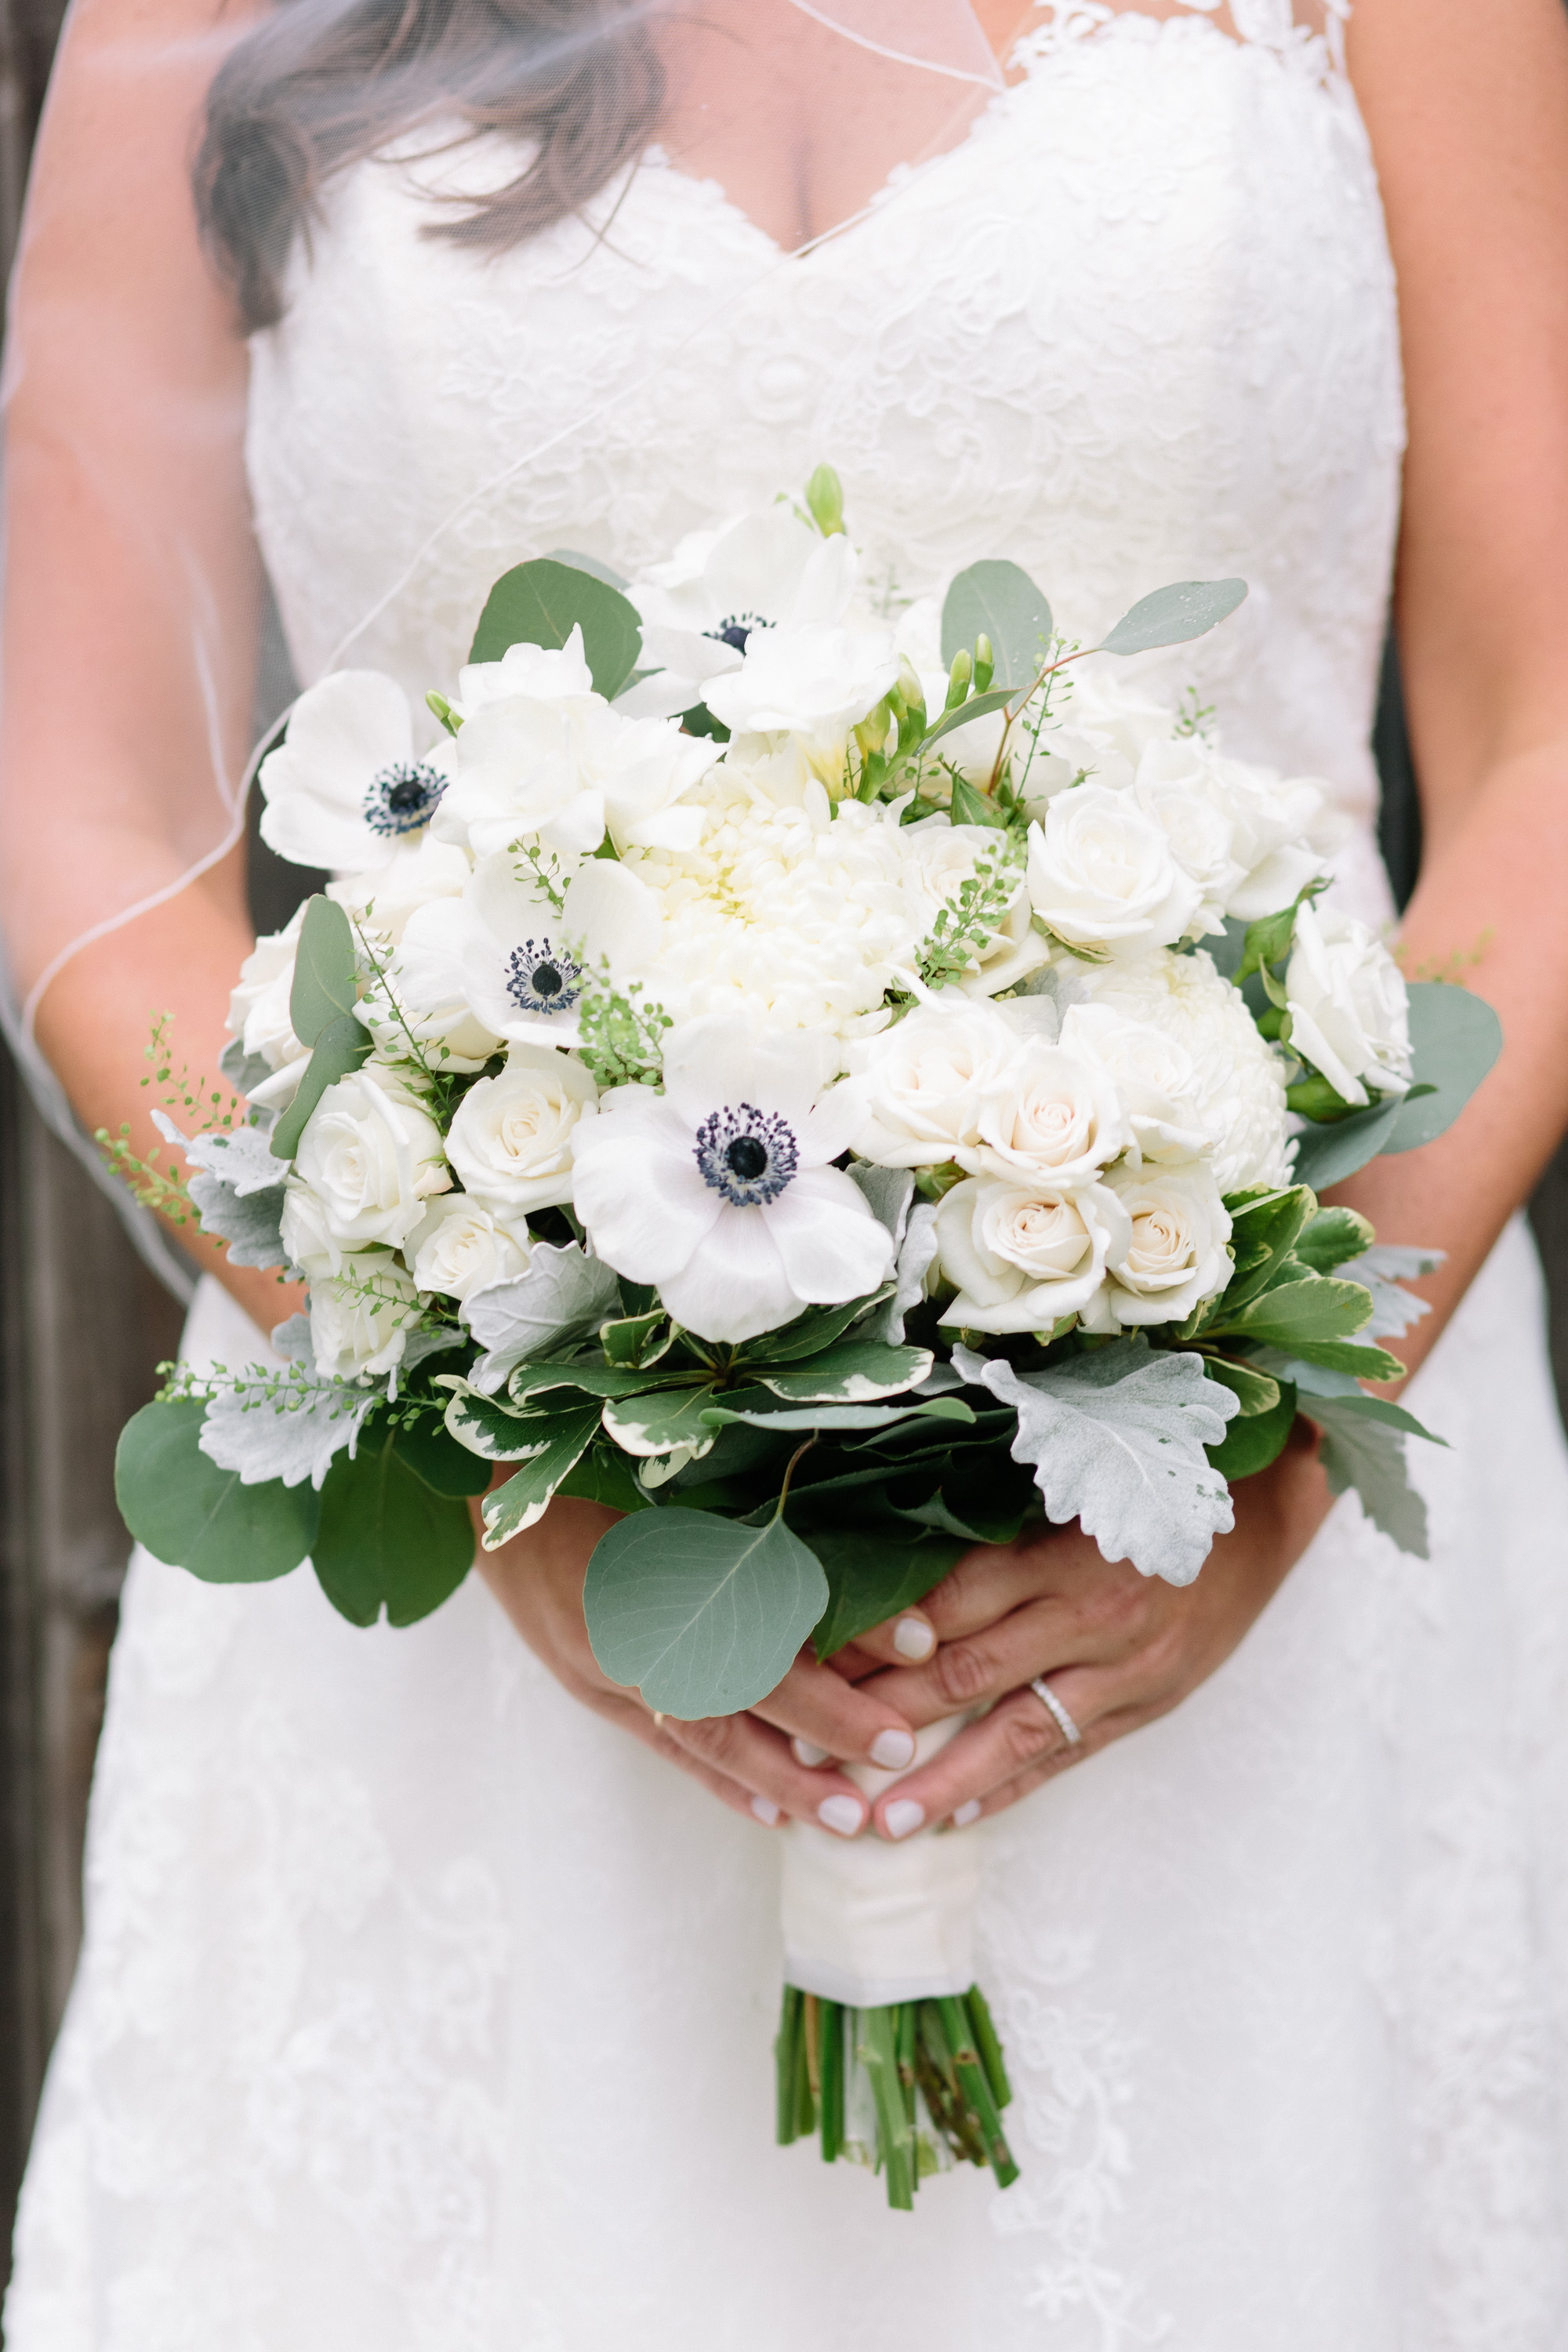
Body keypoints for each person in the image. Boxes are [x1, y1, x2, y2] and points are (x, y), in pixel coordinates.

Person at [5, 0, 1568, 2339]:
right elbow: (75, 806)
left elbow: (1546, 727)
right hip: (474, 1609)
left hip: (1265, 1540)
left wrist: (1272, 1465)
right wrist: (447, 1427)